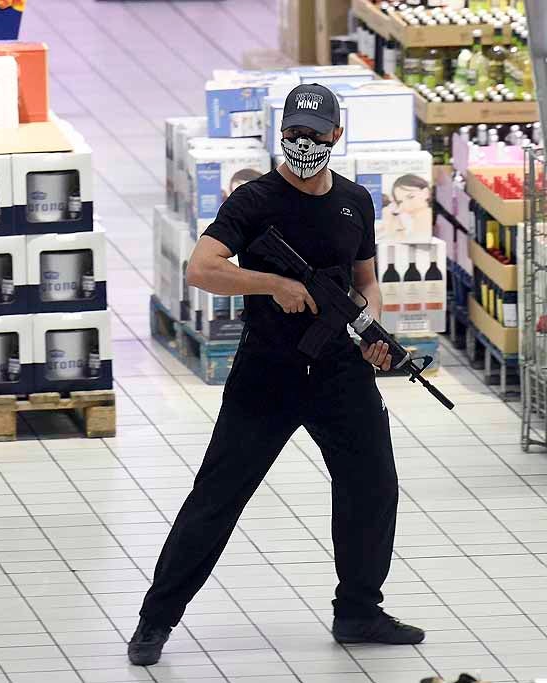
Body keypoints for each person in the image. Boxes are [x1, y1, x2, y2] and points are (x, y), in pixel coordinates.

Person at [128, 83, 425, 667]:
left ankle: (359, 609)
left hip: (340, 371)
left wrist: (373, 334)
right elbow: (201, 269)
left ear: (336, 136)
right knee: (217, 497)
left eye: (314, 134)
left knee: (372, 486)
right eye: (292, 133)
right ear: (279, 134)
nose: (303, 144)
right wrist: (273, 284)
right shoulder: (255, 202)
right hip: (268, 373)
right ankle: (154, 621)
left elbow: (365, 281)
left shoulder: (354, 201)